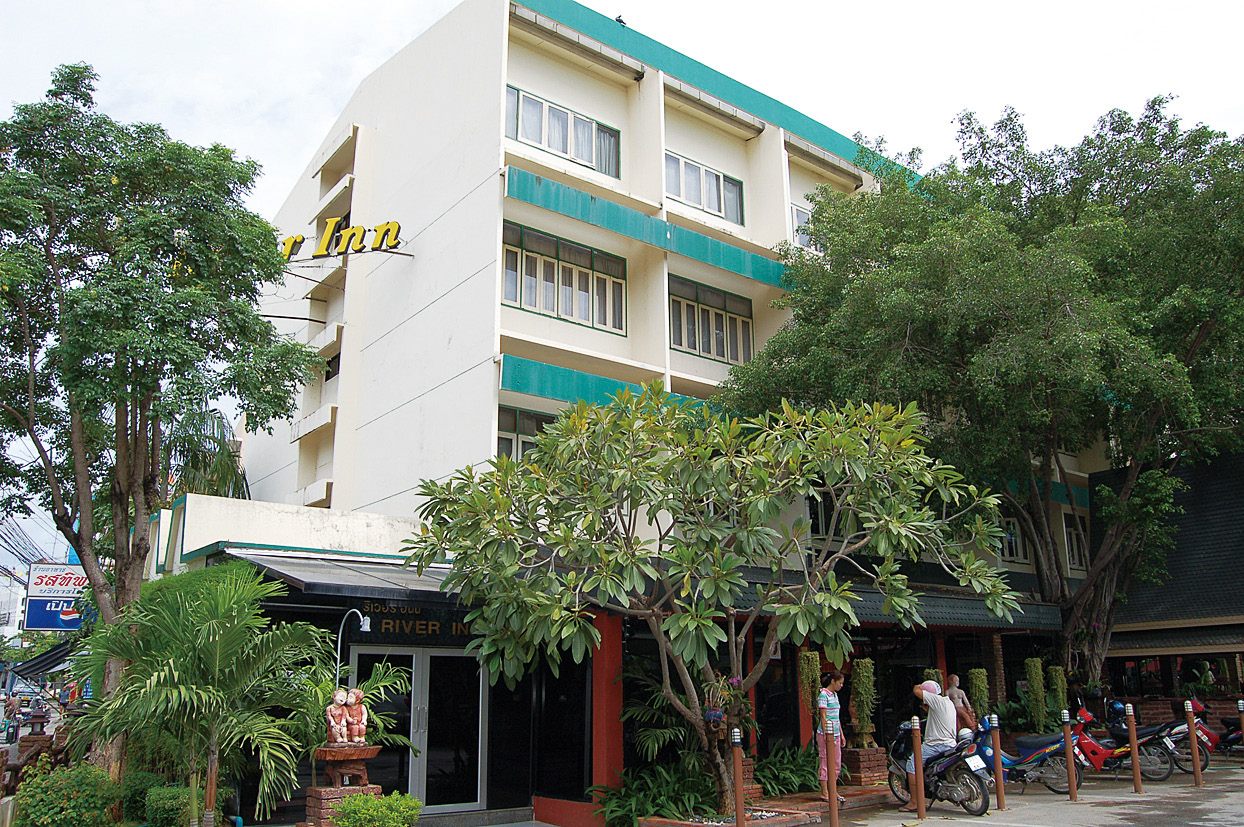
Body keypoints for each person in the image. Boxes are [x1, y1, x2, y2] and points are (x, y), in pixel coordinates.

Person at [899, 680, 958, 813]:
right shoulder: (947, 703)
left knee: (912, 764)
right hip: (951, 744)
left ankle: (915, 801)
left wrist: (919, 686)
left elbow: (916, 690)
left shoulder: (935, 700)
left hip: (936, 745)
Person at [816, 670, 846, 807]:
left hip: (836, 733)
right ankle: (825, 792)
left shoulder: (835, 695)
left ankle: (833, 790)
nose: (841, 685)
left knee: (836, 763)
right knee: (825, 761)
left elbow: (836, 717)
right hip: (826, 734)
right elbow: (823, 716)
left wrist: (841, 734)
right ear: (833, 681)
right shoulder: (823, 695)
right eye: (840, 683)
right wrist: (828, 735)